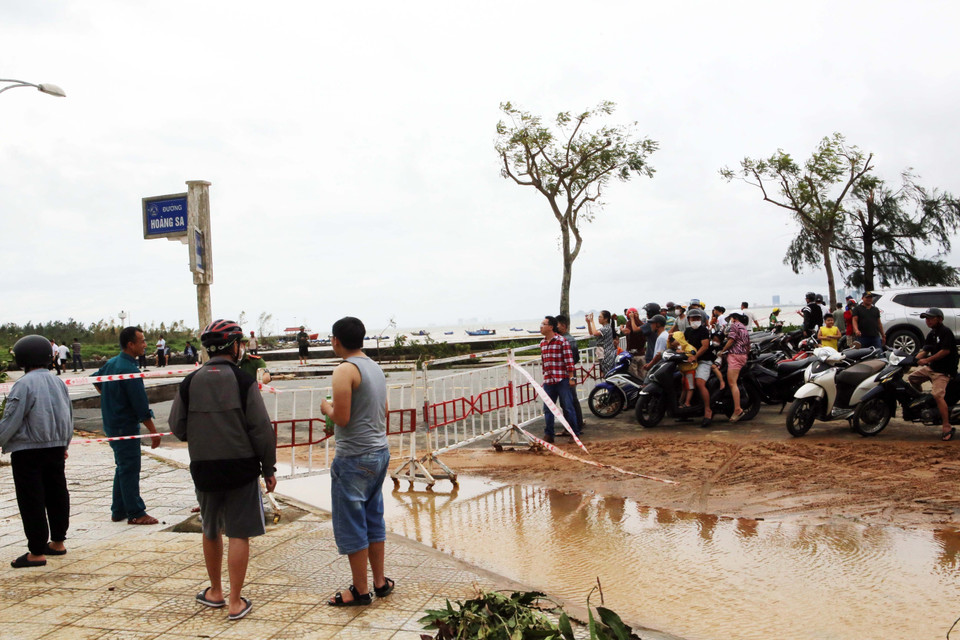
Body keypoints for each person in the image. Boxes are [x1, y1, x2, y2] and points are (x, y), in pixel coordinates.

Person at [170, 319, 277, 621]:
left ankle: (215, 592)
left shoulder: (190, 382)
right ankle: (234, 602)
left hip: (204, 469)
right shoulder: (244, 382)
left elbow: (177, 428)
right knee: (239, 533)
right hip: (241, 468)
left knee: (210, 528)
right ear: (234, 346)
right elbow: (262, 430)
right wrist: (268, 468)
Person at [319, 316, 395, 606]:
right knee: (373, 518)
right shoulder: (374, 368)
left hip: (353, 458)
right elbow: (383, 409)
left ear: (336, 340)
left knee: (352, 523)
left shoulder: (344, 369)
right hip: (379, 453)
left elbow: (342, 417)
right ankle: (380, 581)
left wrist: (326, 407)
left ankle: (360, 590)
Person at [0, 335, 73, 568]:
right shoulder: (58, 382)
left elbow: (11, 418)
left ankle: (36, 552)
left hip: (28, 451)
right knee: (57, 493)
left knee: (32, 499)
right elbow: (67, 416)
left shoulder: (23, 384)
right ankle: (58, 542)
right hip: (56, 447)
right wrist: (64, 444)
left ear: (22, 359)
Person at [92, 326, 162, 525]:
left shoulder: (112, 364)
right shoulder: (130, 370)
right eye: (142, 341)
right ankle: (136, 512)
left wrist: (110, 397)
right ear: (131, 345)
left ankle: (118, 509)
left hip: (112, 424)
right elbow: (141, 407)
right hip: (125, 426)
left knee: (122, 466)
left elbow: (95, 379)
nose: (145, 345)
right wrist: (154, 433)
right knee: (130, 467)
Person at [906, 308, 959, 441]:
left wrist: (927, 360)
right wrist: (912, 359)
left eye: (930, 318)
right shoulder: (932, 334)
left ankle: (946, 426)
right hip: (932, 369)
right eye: (926, 318)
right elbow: (925, 350)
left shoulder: (945, 332)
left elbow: (945, 351)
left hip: (943, 372)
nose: (927, 320)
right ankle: (923, 399)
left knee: (937, 395)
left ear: (939, 319)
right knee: (912, 378)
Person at [537, 316, 580, 443]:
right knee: (548, 408)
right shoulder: (542, 343)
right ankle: (549, 434)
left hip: (562, 380)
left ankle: (574, 433)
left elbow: (569, 362)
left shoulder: (562, 341)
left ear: (550, 327)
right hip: (549, 381)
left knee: (567, 407)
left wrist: (571, 379)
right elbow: (544, 362)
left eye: (543, 324)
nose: (541, 326)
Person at [683, 308, 714, 427]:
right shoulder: (688, 331)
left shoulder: (704, 331)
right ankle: (685, 408)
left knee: (700, 383)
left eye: (697, 318)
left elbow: (705, 346)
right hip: (690, 361)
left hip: (704, 361)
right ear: (688, 320)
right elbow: (683, 343)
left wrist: (695, 356)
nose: (695, 320)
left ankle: (708, 411)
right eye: (693, 318)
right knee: (683, 381)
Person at [555, 315, 584, 434]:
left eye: (556, 325)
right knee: (572, 399)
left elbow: (571, 360)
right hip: (571, 373)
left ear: (563, 326)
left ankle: (572, 427)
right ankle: (578, 424)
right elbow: (575, 359)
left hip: (567, 374)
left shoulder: (565, 340)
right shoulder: (570, 339)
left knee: (568, 401)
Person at [719, 313, 750, 421]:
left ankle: (737, 409)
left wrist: (722, 351)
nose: (730, 321)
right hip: (743, 356)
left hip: (735, 356)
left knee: (732, 383)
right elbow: (748, 345)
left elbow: (731, 340)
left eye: (731, 318)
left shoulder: (734, 325)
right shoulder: (743, 327)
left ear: (735, 318)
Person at [585, 310, 616, 375]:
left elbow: (595, 333)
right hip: (602, 353)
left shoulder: (606, 328)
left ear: (606, 319)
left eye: (600, 317)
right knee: (606, 374)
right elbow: (592, 333)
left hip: (607, 355)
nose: (598, 319)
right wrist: (588, 323)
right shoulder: (604, 328)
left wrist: (592, 321)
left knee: (608, 374)